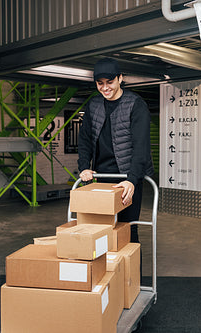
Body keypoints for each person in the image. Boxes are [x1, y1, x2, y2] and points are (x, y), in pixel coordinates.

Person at [77, 57, 154, 243]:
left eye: (110, 82)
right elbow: (85, 139)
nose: (105, 88)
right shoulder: (93, 105)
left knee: (127, 231)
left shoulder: (136, 105)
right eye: (100, 83)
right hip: (101, 177)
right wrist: (84, 167)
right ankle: (108, 270)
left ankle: (130, 271)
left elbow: (141, 146)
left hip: (127, 177)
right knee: (99, 230)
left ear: (120, 78)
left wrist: (132, 180)